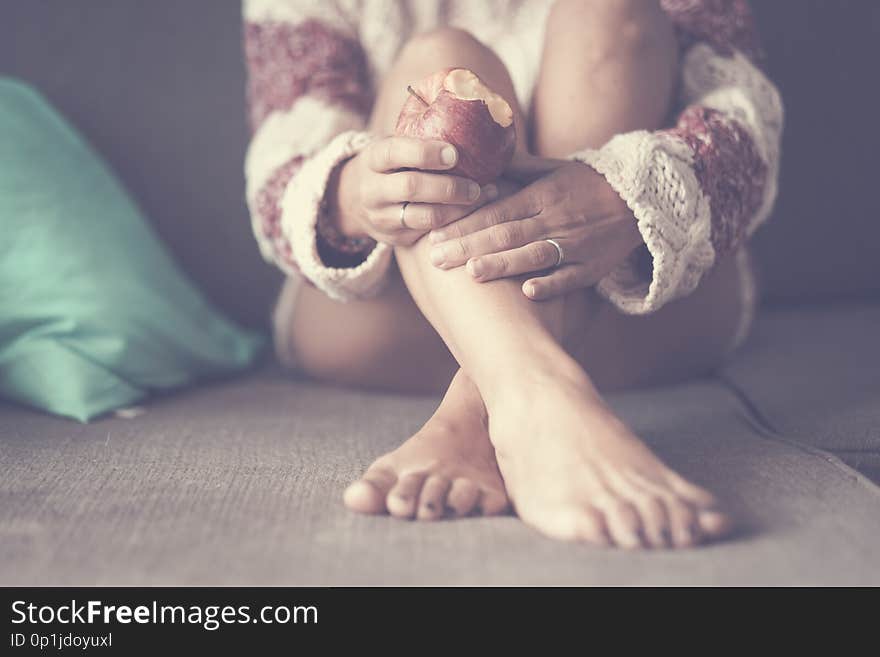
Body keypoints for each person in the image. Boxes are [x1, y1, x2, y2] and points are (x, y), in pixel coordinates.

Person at [243, 0, 782, 549]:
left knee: (609, 13)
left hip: (639, 301)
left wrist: (628, 196)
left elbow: (745, 120)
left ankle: (490, 407)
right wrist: (351, 193)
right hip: (391, 314)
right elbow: (278, 164)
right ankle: (539, 394)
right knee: (441, 59)